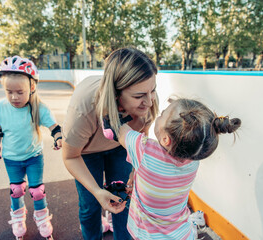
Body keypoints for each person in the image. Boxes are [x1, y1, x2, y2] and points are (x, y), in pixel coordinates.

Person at [103, 97, 241, 240]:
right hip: (181, 234)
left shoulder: (145, 150)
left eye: (162, 113)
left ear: (165, 140)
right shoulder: (194, 159)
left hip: (147, 235)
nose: (160, 113)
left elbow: (115, 128)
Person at [62, 47, 159, 240]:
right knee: (90, 205)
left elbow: (141, 136)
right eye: (139, 96)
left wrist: (134, 170)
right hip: (85, 152)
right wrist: (97, 191)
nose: (149, 102)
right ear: (116, 95)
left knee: (123, 202)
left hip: (120, 147)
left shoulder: (147, 98)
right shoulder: (84, 106)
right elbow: (70, 156)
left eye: (153, 90)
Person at [0, 56, 62, 240]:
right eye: (9, 92)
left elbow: (55, 127)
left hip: (34, 157)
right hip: (12, 159)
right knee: (16, 189)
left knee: (37, 191)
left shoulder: (38, 107)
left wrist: (58, 138)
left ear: (32, 87)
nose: (14, 97)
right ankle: (18, 218)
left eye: (20, 92)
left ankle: (42, 219)